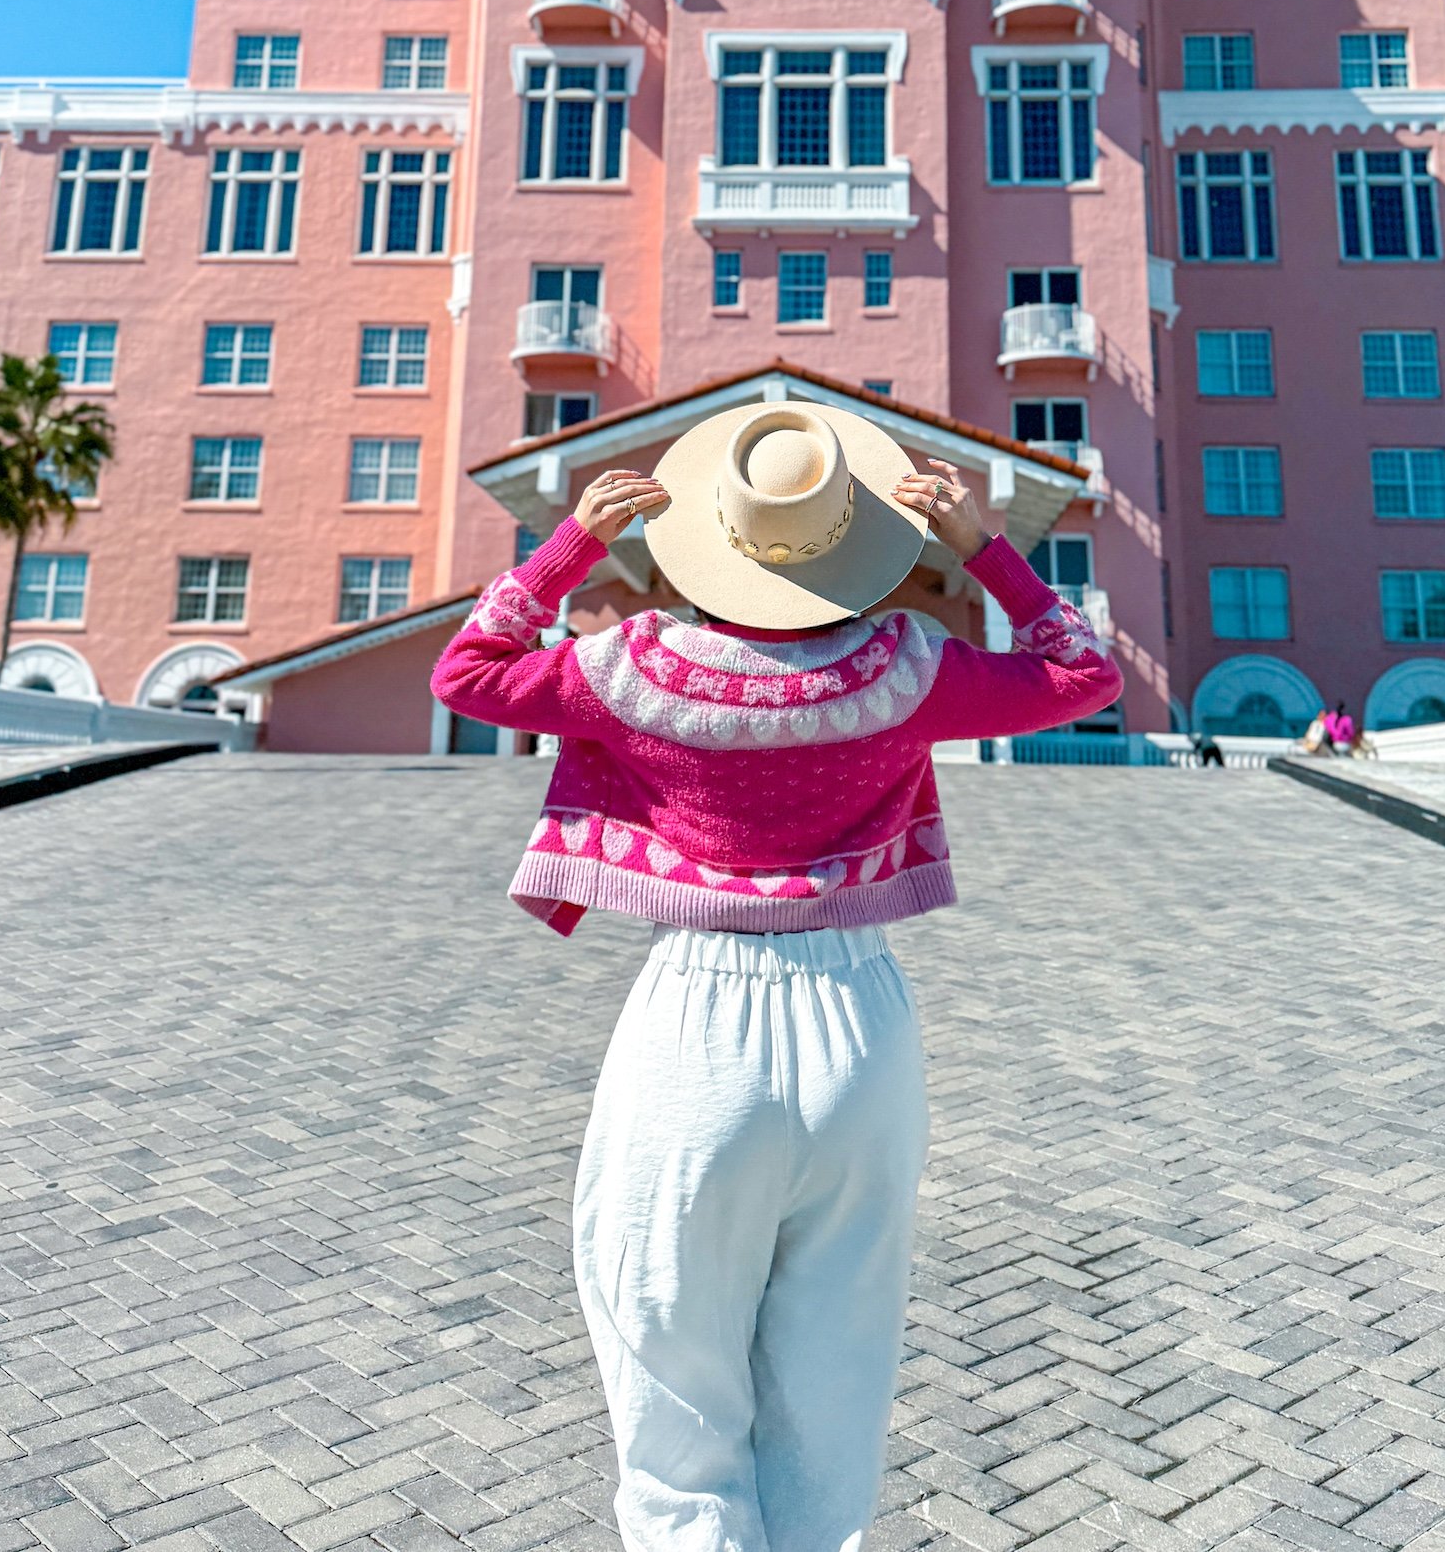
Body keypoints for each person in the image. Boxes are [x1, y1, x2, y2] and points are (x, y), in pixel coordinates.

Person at [429, 400, 1123, 1552]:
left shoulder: (626, 667)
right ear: (847, 547)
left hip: (696, 1018)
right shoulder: (911, 666)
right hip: (858, 1020)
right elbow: (1085, 674)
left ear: (713, 538)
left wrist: (569, 550)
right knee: (836, 1362)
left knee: (667, 1350)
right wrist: (983, 546)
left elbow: (467, 673)